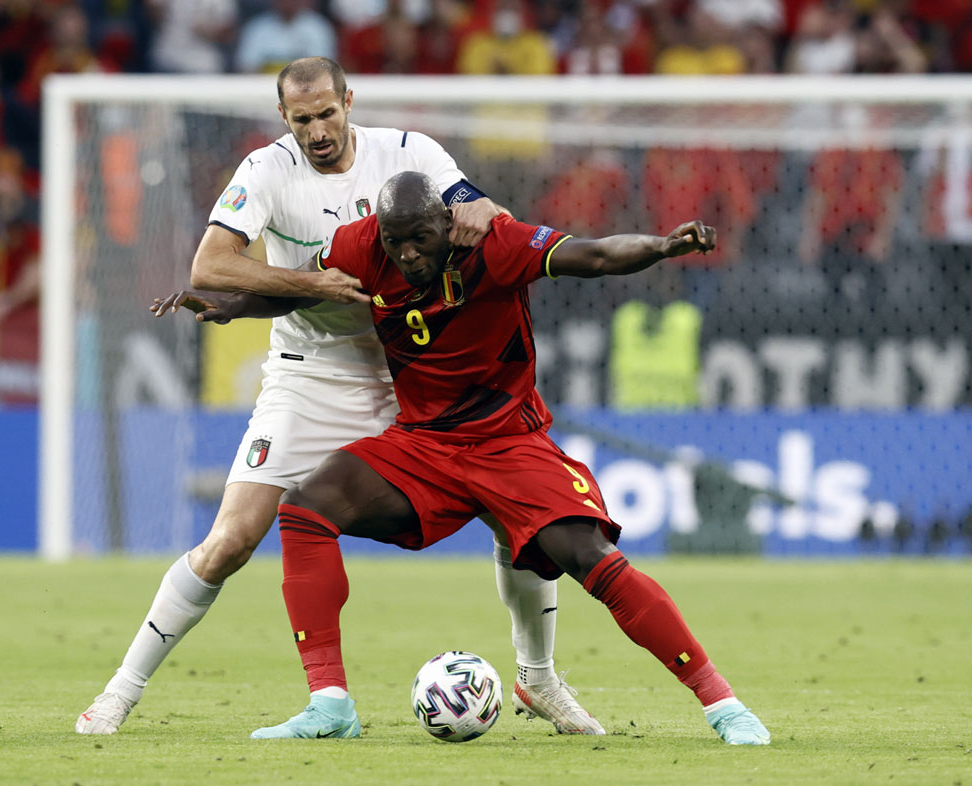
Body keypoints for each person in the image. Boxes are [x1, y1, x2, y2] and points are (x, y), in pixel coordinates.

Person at [76, 57, 602, 737]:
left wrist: (480, 210)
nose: (319, 131)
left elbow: (481, 209)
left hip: (408, 379)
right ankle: (121, 691)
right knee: (231, 540)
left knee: (517, 517)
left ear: (348, 101)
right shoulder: (266, 171)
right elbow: (211, 264)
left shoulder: (409, 153)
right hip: (308, 376)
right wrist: (312, 284)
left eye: (328, 113)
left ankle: (539, 679)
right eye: (303, 120)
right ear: (283, 119)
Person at [221, 170, 769, 744]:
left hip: (509, 441)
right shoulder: (361, 243)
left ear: (445, 223)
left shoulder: (495, 244)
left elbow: (597, 256)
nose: (406, 255)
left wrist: (663, 246)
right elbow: (298, 286)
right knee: (306, 510)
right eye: (393, 242)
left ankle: (722, 704)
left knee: (592, 559)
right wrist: (229, 304)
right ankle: (329, 702)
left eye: (419, 240)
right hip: (424, 444)